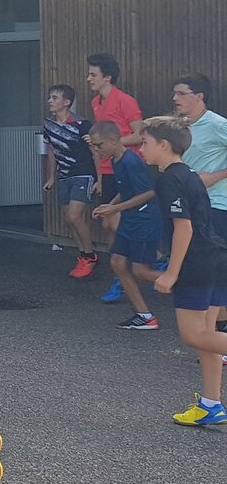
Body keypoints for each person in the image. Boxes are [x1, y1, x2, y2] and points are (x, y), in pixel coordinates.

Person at [133, 116, 227, 425]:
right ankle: (212, 405)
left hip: (196, 263)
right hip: (215, 258)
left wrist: (171, 273)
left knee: (193, 335)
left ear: (163, 145)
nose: (141, 148)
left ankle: (211, 405)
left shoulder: (169, 179)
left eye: (145, 143)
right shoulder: (189, 174)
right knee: (207, 337)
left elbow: (183, 228)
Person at [88, 121, 162, 329]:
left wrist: (115, 209)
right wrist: (110, 205)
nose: (97, 150)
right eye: (94, 146)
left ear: (113, 140)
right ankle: (145, 316)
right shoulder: (115, 160)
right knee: (117, 262)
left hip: (144, 220)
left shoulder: (131, 161)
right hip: (130, 219)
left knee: (141, 271)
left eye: (99, 145)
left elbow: (148, 193)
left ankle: (195, 285)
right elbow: (126, 190)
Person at [170, 74, 227, 343]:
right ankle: (211, 338)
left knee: (214, 270)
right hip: (189, 206)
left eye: (181, 93)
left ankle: (217, 335)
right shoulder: (178, 126)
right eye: (174, 93)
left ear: (199, 96)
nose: (175, 98)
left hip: (217, 205)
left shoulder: (217, 124)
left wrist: (215, 176)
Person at [86, 54, 144, 300]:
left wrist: (114, 143)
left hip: (127, 166)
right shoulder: (95, 102)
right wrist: (99, 177)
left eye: (93, 74)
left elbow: (140, 135)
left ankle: (144, 263)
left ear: (107, 77)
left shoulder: (125, 101)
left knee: (117, 221)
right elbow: (100, 143)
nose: (89, 78)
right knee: (107, 223)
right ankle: (120, 273)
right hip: (108, 169)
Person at [42, 84, 99, 278]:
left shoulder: (82, 124)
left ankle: (90, 256)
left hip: (83, 173)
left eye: (54, 98)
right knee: (68, 218)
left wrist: (100, 178)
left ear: (66, 102)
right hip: (64, 175)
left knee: (74, 216)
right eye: (50, 97)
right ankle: (83, 255)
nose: (50, 101)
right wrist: (52, 176)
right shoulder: (49, 125)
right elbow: (51, 151)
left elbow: (95, 152)